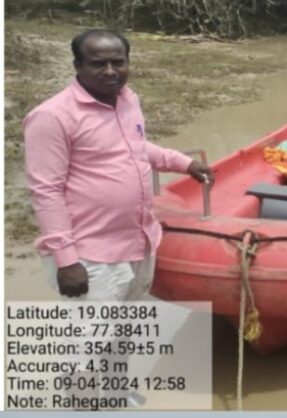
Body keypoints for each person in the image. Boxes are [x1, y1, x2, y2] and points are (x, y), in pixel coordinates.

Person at [24, 29, 215, 301]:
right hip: (92, 255)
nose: (111, 71)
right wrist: (66, 260)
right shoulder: (51, 116)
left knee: (127, 330)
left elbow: (133, 146)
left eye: (118, 62)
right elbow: (46, 191)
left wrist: (183, 163)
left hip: (140, 241)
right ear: (78, 66)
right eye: (98, 64)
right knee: (90, 342)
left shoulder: (128, 99)